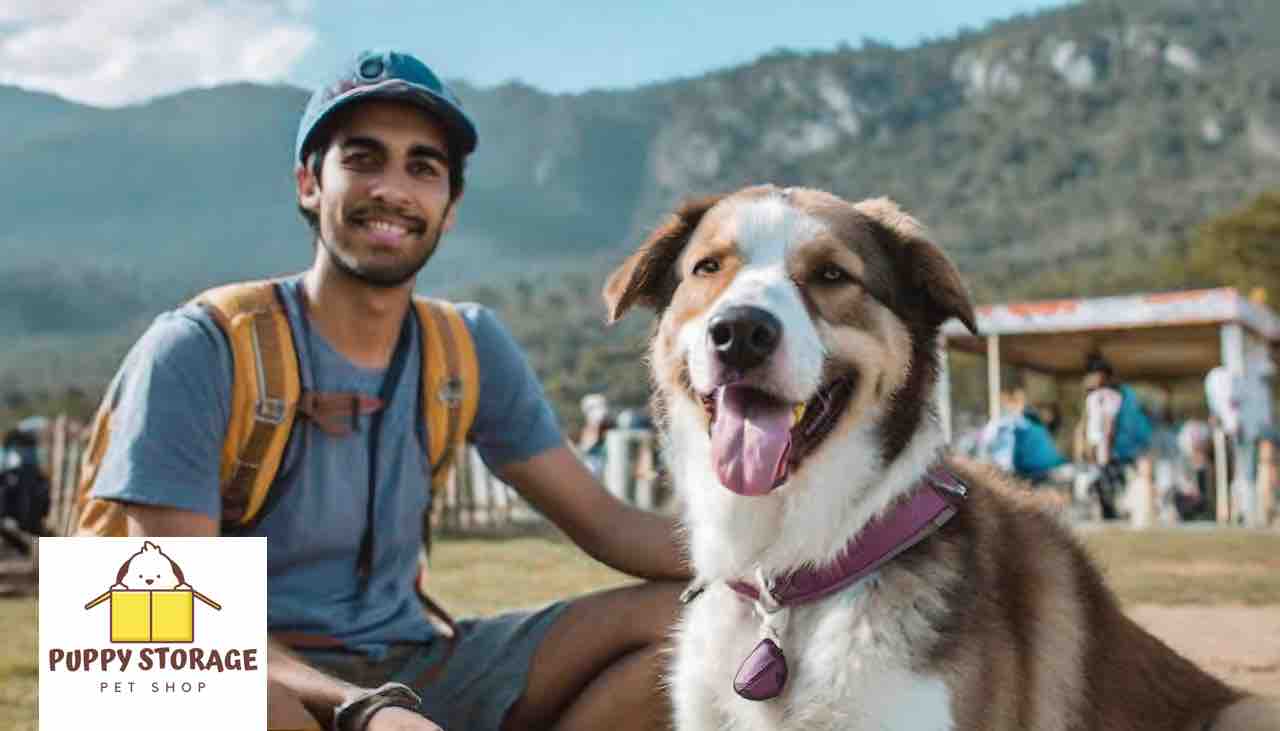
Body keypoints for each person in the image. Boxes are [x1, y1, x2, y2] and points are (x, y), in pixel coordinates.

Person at [85, 49, 687, 731]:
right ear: (310, 183)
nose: (392, 190)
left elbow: (606, 521)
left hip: (413, 662)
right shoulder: (203, 347)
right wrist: (362, 710)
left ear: (450, 205)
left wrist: (788, 554)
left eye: (421, 167)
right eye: (363, 159)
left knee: (693, 621)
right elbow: (173, 614)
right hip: (246, 665)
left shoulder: (466, 346)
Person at [1081, 353, 1152, 519]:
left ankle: (1115, 515)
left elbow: (1109, 426)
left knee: (1111, 487)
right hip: (1107, 451)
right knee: (1106, 488)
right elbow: (1089, 426)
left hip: (1116, 451)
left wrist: (1105, 451)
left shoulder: (1114, 396)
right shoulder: (1095, 397)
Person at [979, 385, 1071, 485]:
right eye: (1016, 400)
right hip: (1019, 470)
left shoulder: (1029, 422)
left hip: (1031, 470)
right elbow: (987, 445)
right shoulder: (1012, 422)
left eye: (1021, 400)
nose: (1020, 404)